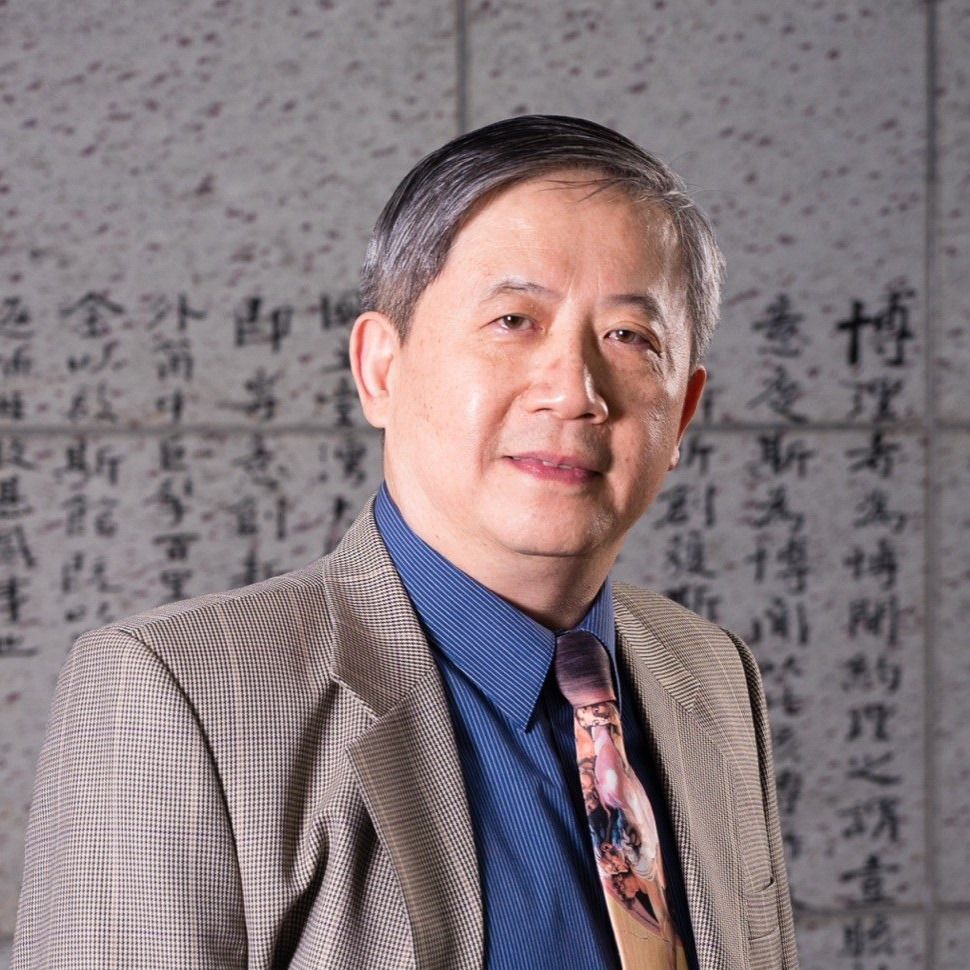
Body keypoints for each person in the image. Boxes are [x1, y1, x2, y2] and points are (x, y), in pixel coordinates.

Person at [13, 115, 799, 970]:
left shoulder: (712, 675)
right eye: (514, 320)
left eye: (630, 337)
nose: (574, 392)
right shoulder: (176, 696)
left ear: (681, 414)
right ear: (380, 368)